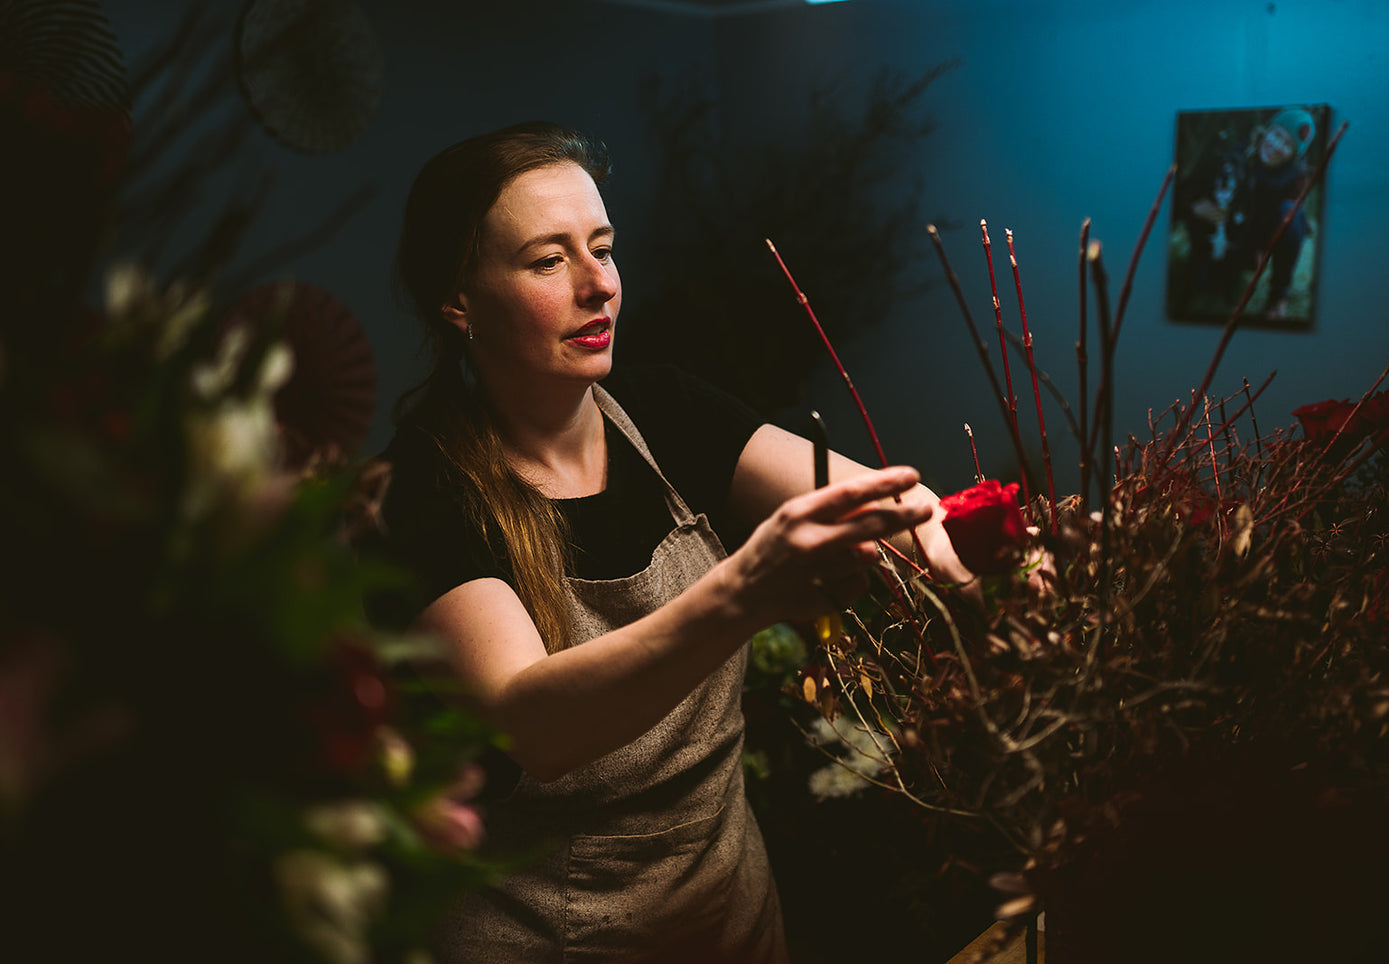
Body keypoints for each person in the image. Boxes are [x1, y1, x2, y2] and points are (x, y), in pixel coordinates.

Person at [371, 121, 966, 963]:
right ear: (458, 298)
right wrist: (745, 594)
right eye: (548, 261)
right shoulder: (416, 495)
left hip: (732, 924)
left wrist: (972, 546)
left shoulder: (664, 411)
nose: (597, 286)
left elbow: (879, 501)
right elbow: (532, 724)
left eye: (603, 249)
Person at [1178, 107, 1318, 320]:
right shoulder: (1236, 153)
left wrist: (1262, 245)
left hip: (1250, 245)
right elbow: (1192, 184)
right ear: (1267, 131)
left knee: (1292, 214)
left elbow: (1285, 221)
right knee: (1201, 286)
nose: (1277, 146)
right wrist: (1195, 204)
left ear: (1294, 155)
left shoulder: (1295, 179)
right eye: (1277, 135)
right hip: (1219, 237)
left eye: (1288, 144)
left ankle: (1278, 298)